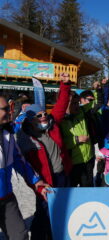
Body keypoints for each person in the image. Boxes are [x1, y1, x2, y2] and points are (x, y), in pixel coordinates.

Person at [19, 73, 73, 239]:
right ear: (30, 120)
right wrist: (38, 186)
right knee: (44, 212)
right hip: (45, 180)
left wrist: (65, 85)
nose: (44, 117)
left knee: (60, 210)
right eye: (39, 115)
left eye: (44, 114)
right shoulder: (27, 138)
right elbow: (27, 168)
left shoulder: (52, 124)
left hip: (62, 175)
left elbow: (61, 105)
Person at [0, 96, 49, 240]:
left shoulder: (7, 134)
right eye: (5, 109)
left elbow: (19, 160)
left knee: (20, 235)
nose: (10, 112)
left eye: (10, 109)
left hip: (6, 197)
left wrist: (36, 181)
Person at [61, 91, 95, 187]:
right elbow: (59, 143)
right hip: (73, 165)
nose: (77, 106)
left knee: (87, 192)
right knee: (72, 194)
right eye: (73, 103)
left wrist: (100, 89)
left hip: (87, 160)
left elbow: (96, 103)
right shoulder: (60, 120)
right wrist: (76, 139)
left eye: (77, 103)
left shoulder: (81, 111)